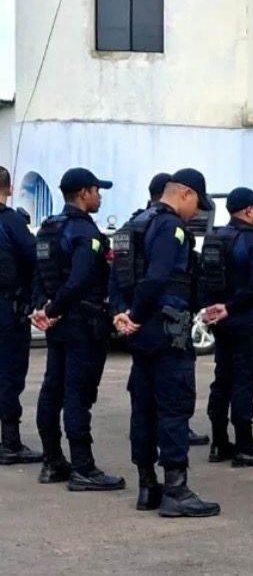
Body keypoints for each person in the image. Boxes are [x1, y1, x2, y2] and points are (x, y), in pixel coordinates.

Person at [113, 167, 220, 517]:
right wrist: (139, 315)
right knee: (174, 407)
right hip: (164, 329)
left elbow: (117, 276)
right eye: (197, 205)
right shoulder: (170, 226)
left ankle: (148, 486)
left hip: (140, 332)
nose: (196, 214)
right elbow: (158, 276)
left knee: (143, 407)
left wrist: (122, 314)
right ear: (184, 194)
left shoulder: (135, 223)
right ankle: (176, 490)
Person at [31, 168, 123, 490]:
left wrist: (43, 309)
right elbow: (80, 278)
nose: (99, 197)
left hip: (59, 323)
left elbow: (40, 276)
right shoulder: (85, 232)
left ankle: (52, 461)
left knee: (52, 391)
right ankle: (83, 468)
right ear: (84, 193)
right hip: (82, 324)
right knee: (76, 395)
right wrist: (53, 309)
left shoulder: (49, 229)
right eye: (97, 191)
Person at [199, 187, 253, 468]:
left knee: (223, 381)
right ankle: (245, 446)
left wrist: (214, 307)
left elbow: (205, 278)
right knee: (244, 383)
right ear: (248, 210)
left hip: (222, 323)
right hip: (245, 322)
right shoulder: (252, 241)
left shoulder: (215, 237)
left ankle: (219, 443)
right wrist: (231, 307)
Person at [0, 164, 41, 466]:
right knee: (10, 375)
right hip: (8, 309)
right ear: (10, 189)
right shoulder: (12, 222)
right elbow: (36, 256)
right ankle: (10, 443)